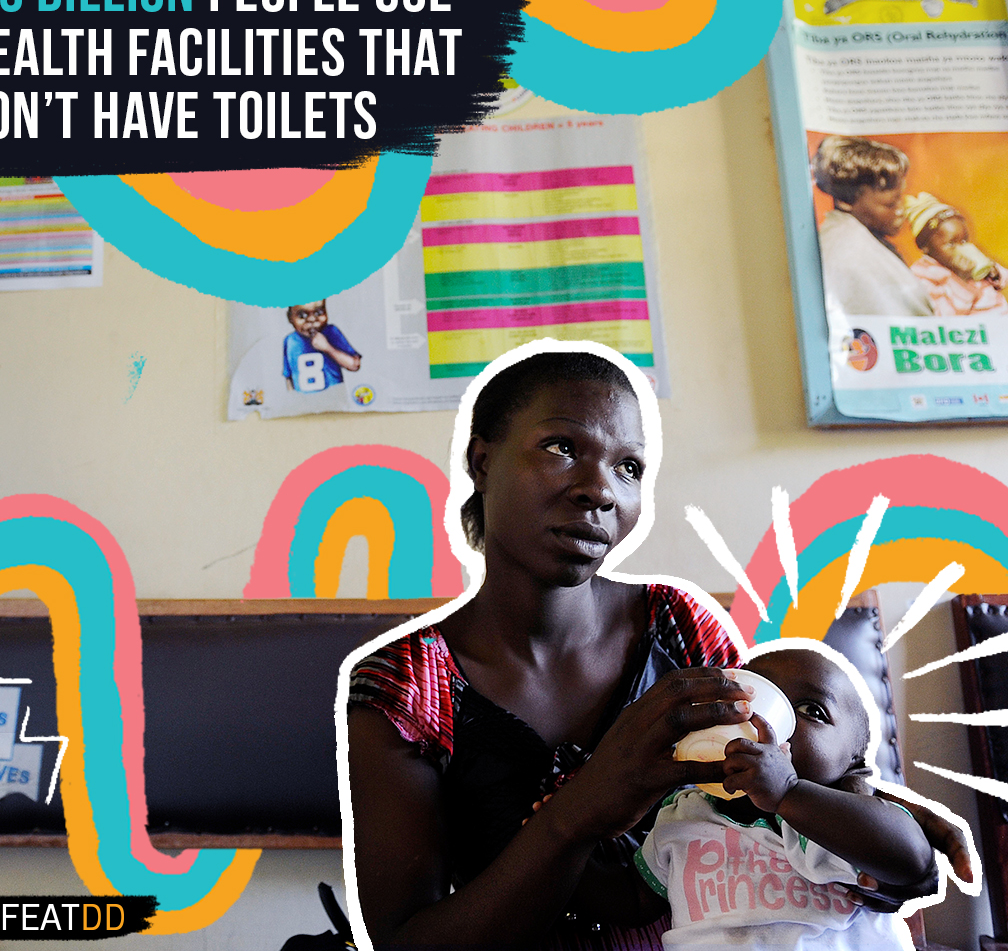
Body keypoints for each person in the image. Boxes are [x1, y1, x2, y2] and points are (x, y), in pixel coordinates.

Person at [346, 344, 968, 950]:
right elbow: (405, 940)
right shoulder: (406, 686)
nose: (600, 490)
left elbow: (766, 781)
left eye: (629, 468)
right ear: (482, 460)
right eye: (561, 448)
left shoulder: (678, 625)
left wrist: (882, 813)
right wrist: (580, 810)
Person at [636, 645, 934, 948]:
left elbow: (913, 859)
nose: (763, 718)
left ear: (852, 765)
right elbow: (632, 900)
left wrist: (789, 791)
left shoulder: (846, 821)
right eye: (747, 700)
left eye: (811, 710)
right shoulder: (682, 816)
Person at [812, 136, 934, 317]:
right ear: (846, 201)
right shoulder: (850, 251)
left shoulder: (854, 237)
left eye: (901, 198)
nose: (902, 210)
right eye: (890, 204)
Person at [905, 192, 1008, 316]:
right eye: (951, 244)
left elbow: (1004, 280)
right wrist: (961, 280)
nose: (960, 248)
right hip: (971, 332)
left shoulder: (971, 258)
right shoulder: (923, 274)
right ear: (926, 248)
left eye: (964, 240)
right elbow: (945, 316)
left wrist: (995, 273)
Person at [283, 300, 361, 393]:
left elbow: (354, 365)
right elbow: (289, 376)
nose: (312, 319)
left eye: (318, 313)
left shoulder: (331, 332)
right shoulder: (290, 340)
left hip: (333, 398)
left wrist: (328, 348)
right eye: (302, 315)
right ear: (290, 318)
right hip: (303, 402)